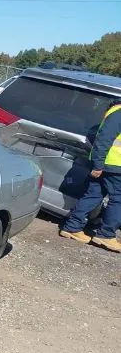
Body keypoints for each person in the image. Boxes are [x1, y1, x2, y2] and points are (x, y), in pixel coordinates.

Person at [59, 99, 121, 252]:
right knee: (118, 199)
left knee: (94, 194)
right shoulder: (119, 113)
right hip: (113, 165)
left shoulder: (115, 111)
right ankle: (106, 235)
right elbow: (104, 139)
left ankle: (72, 227)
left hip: (107, 164)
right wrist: (98, 164)